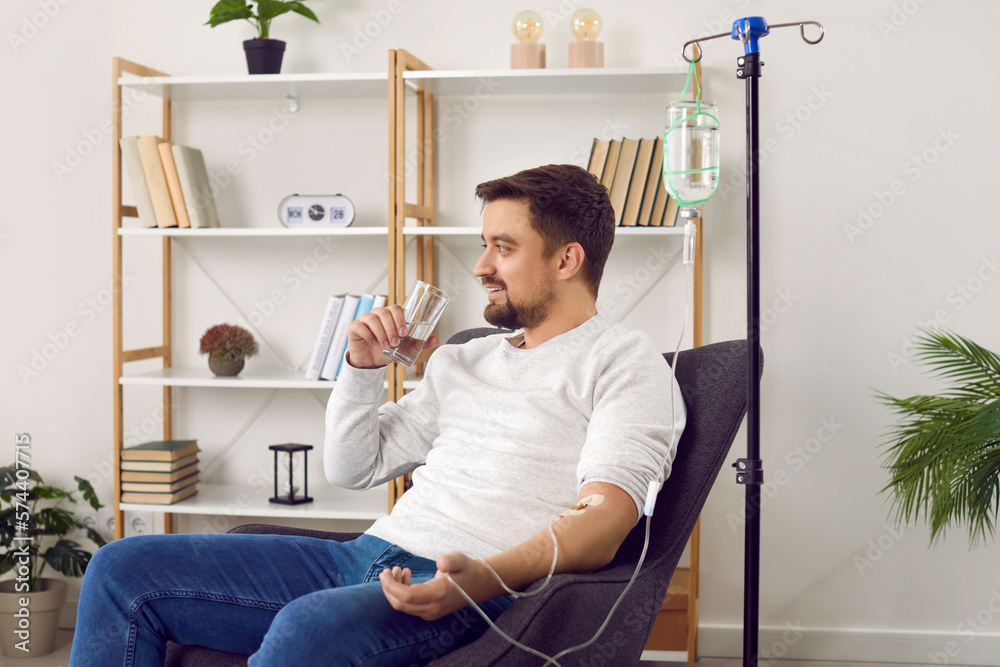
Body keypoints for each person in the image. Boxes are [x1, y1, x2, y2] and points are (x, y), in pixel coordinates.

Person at [70, 164, 684, 666]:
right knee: (121, 567)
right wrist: (361, 370)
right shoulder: (463, 361)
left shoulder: (625, 365)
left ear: (567, 259)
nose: (480, 267)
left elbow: (603, 525)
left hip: (470, 588)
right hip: (364, 554)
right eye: (483, 245)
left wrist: (481, 579)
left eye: (504, 247)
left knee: (308, 630)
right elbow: (352, 467)